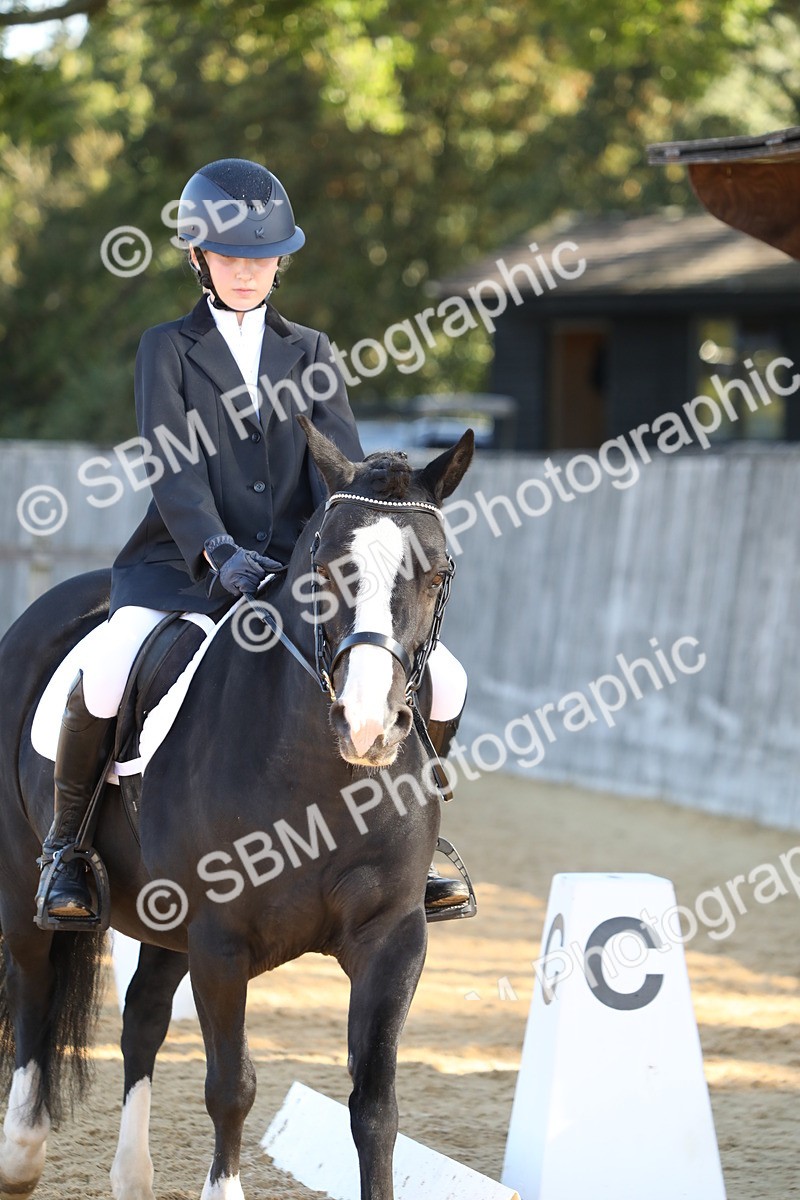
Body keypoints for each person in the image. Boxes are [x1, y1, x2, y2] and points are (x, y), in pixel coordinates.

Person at [36, 158, 470, 927]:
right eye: (231, 257)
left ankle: (420, 841)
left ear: (280, 263)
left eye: (262, 257)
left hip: (299, 571)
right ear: (200, 259)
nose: (247, 271)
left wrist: (323, 556)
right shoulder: (165, 350)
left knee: (446, 679)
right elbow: (173, 469)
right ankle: (67, 850)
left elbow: (341, 475)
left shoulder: (312, 353)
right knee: (106, 670)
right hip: (180, 566)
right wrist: (216, 550)